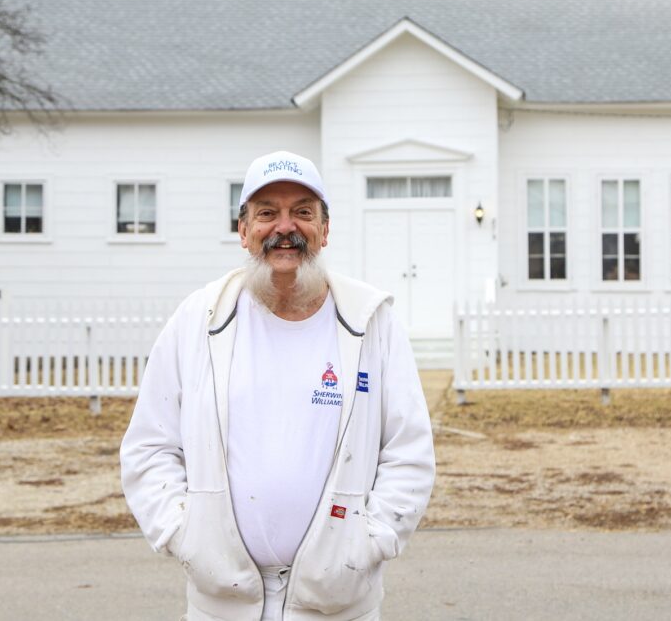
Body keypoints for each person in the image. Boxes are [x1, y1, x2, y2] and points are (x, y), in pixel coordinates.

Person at [120, 151, 436, 621]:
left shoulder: (372, 323)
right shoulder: (199, 320)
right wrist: (185, 535)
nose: (285, 227)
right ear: (243, 230)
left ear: (324, 230)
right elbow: (149, 445)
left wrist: (371, 541)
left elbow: (408, 451)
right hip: (221, 606)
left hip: (338, 605)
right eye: (267, 213)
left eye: (302, 212)